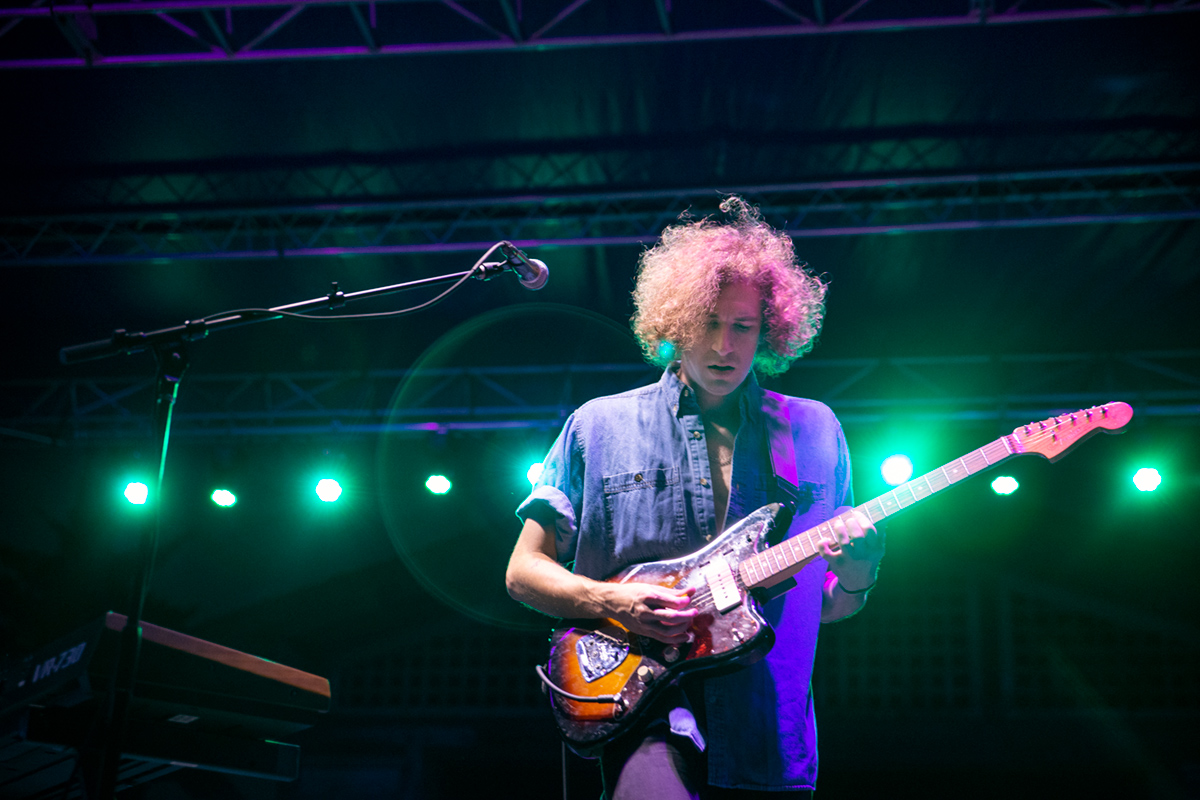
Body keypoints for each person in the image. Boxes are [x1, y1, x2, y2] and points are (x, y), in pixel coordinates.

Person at [505, 197, 885, 799]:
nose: (725, 346)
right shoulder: (598, 425)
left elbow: (829, 608)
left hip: (768, 730)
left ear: (769, 330)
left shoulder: (814, 431)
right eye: (708, 322)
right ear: (674, 320)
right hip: (642, 708)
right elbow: (523, 573)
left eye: (743, 326)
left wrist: (860, 571)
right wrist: (614, 600)